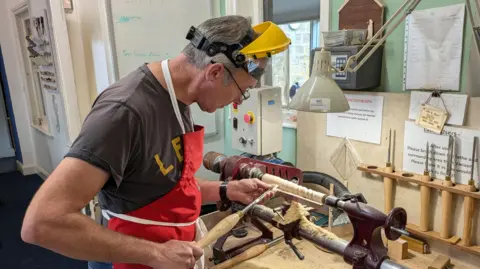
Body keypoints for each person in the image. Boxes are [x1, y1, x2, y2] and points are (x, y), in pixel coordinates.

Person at [20, 15, 290, 269]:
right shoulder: (124, 112)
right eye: (242, 92)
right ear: (215, 72)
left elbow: (165, 184)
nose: (237, 102)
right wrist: (156, 253)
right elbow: (43, 222)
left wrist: (225, 190)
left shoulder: (179, 98)